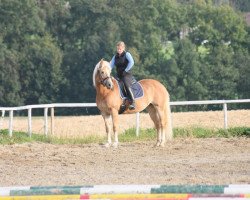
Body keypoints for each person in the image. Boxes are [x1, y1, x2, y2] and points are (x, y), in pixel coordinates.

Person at [110, 41, 136, 110]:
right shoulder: (115, 57)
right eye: (118, 49)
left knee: (126, 83)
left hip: (126, 74)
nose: (118, 50)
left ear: (123, 48)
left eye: (120, 49)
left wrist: (126, 70)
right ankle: (123, 100)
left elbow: (132, 62)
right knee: (116, 84)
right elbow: (110, 65)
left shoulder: (127, 54)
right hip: (119, 75)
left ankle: (133, 102)